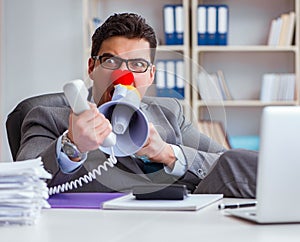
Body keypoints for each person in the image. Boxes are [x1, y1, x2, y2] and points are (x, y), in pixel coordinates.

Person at [16, 13, 258, 197]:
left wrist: (167, 153)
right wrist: (73, 145)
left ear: (151, 75)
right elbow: (20, 183)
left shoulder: (169, 113)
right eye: (111, 60)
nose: (124, 73)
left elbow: (226, 163)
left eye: (138, 65)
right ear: (92, 68)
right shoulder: (46, 116)